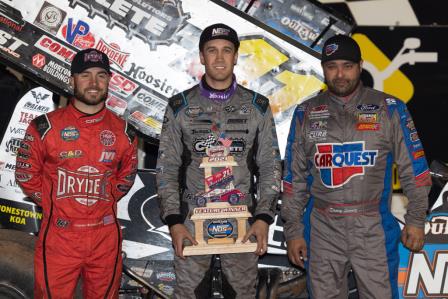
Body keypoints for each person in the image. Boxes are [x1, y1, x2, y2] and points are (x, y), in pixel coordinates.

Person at [281, 34, 431, 299]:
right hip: (322, 226)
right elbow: (294, 180)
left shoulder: (389, 108)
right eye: (332, 66)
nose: (340, 74)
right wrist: (293, 231)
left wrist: (416, 219)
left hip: (372, 225)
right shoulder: (306, 112)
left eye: (347, 66)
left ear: (360, 65)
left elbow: (415, 171)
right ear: (323, 68)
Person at [156, 23, 281, 298]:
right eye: (212, 51)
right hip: (191, 219)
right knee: (188, 293)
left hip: (243, 220)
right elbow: (166, 170)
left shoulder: (257, 106)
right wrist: (174, 222)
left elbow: (271, 167)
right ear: (201, 56)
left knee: (243, 293)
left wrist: (263, 218)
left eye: (227, 50)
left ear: (236, 56)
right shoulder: (180, 106)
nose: (220, 58)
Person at [15, 48, 138, 298]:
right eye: (85, 75)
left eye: (101, 75)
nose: (93, 83)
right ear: (72, 79)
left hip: (105, 237)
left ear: (108, 80)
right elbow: (26, 174)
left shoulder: (124, 131)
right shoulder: (45, 126)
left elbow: (126, 177)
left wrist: (101, 199)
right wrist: (55, 201)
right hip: (60, 236)